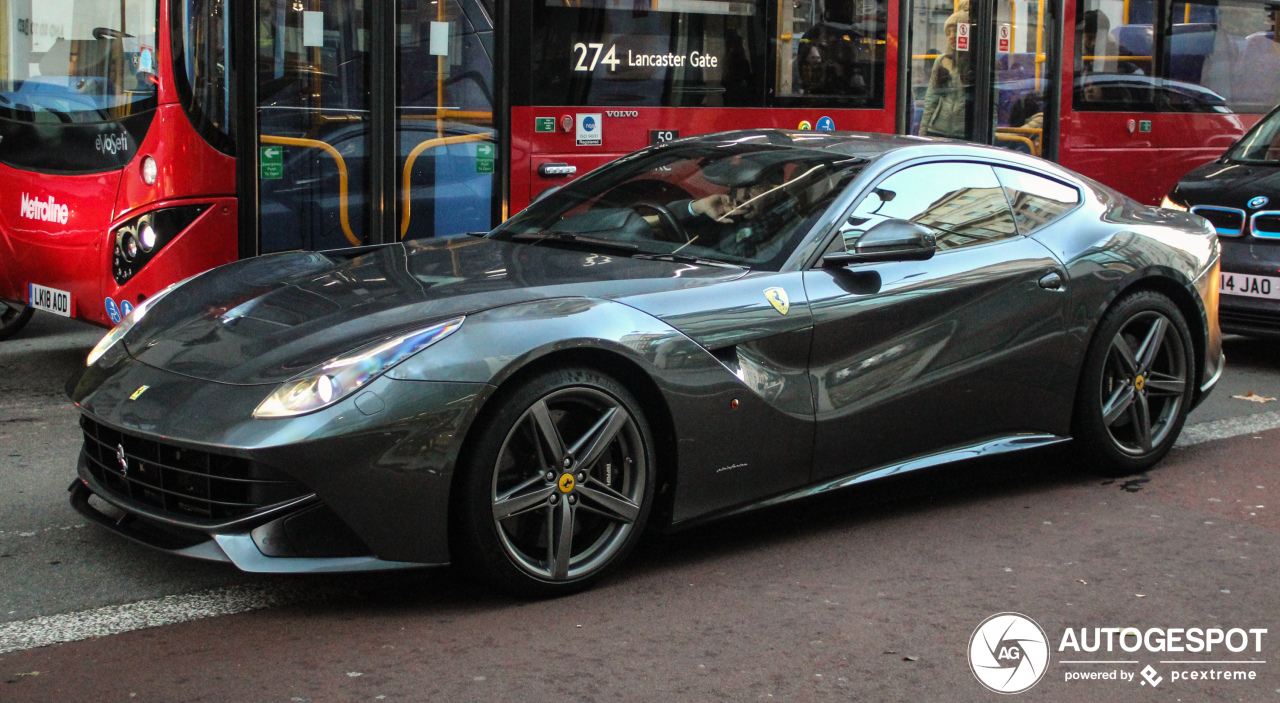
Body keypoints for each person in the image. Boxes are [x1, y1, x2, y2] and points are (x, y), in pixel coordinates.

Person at [919, 3, 972, 138]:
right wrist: (923, 133)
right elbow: (931, 99)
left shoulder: (977, 64)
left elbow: (991, 108)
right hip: (937, 129)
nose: (952, 36)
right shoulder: (942, 61)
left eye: (957, 31)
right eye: (949, 32)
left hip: (965, 133)